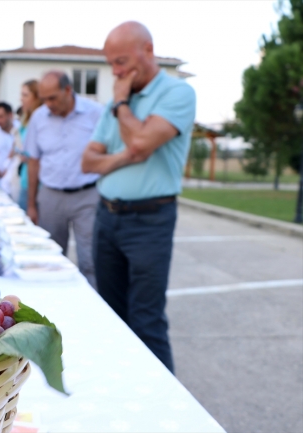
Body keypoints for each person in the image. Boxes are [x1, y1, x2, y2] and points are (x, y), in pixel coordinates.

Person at [81, 22, 196, 373]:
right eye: (111, 64)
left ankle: (167, 411)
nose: (116, 72)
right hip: (107, 217)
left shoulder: (177, 94)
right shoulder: (116, 105)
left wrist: (120, 104)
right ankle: (122, 387)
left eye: (121, 61)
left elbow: (143, 143)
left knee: (146, 318)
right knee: (111, 313)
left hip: (150, 221)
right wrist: (124, 157)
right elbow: (88, 161)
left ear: (148, 50)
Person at [24, 71, 103, 287]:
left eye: (52, 98)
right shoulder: (39, 118)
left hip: (87, 197)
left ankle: (94, 310)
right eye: (44, 98)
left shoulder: (95, 113)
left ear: (68, 90)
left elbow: (107, 153)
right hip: (51, 197)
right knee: (51, 260)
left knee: (91, 260)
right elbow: (33, 161)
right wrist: (32, 204)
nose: (48, 104)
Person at [13, 80, 43, 210]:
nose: (21, 99)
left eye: (25, 95)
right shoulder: (26, 120)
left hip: (39, 184)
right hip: (26, 179)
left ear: (36, 97)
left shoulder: (42, 120)